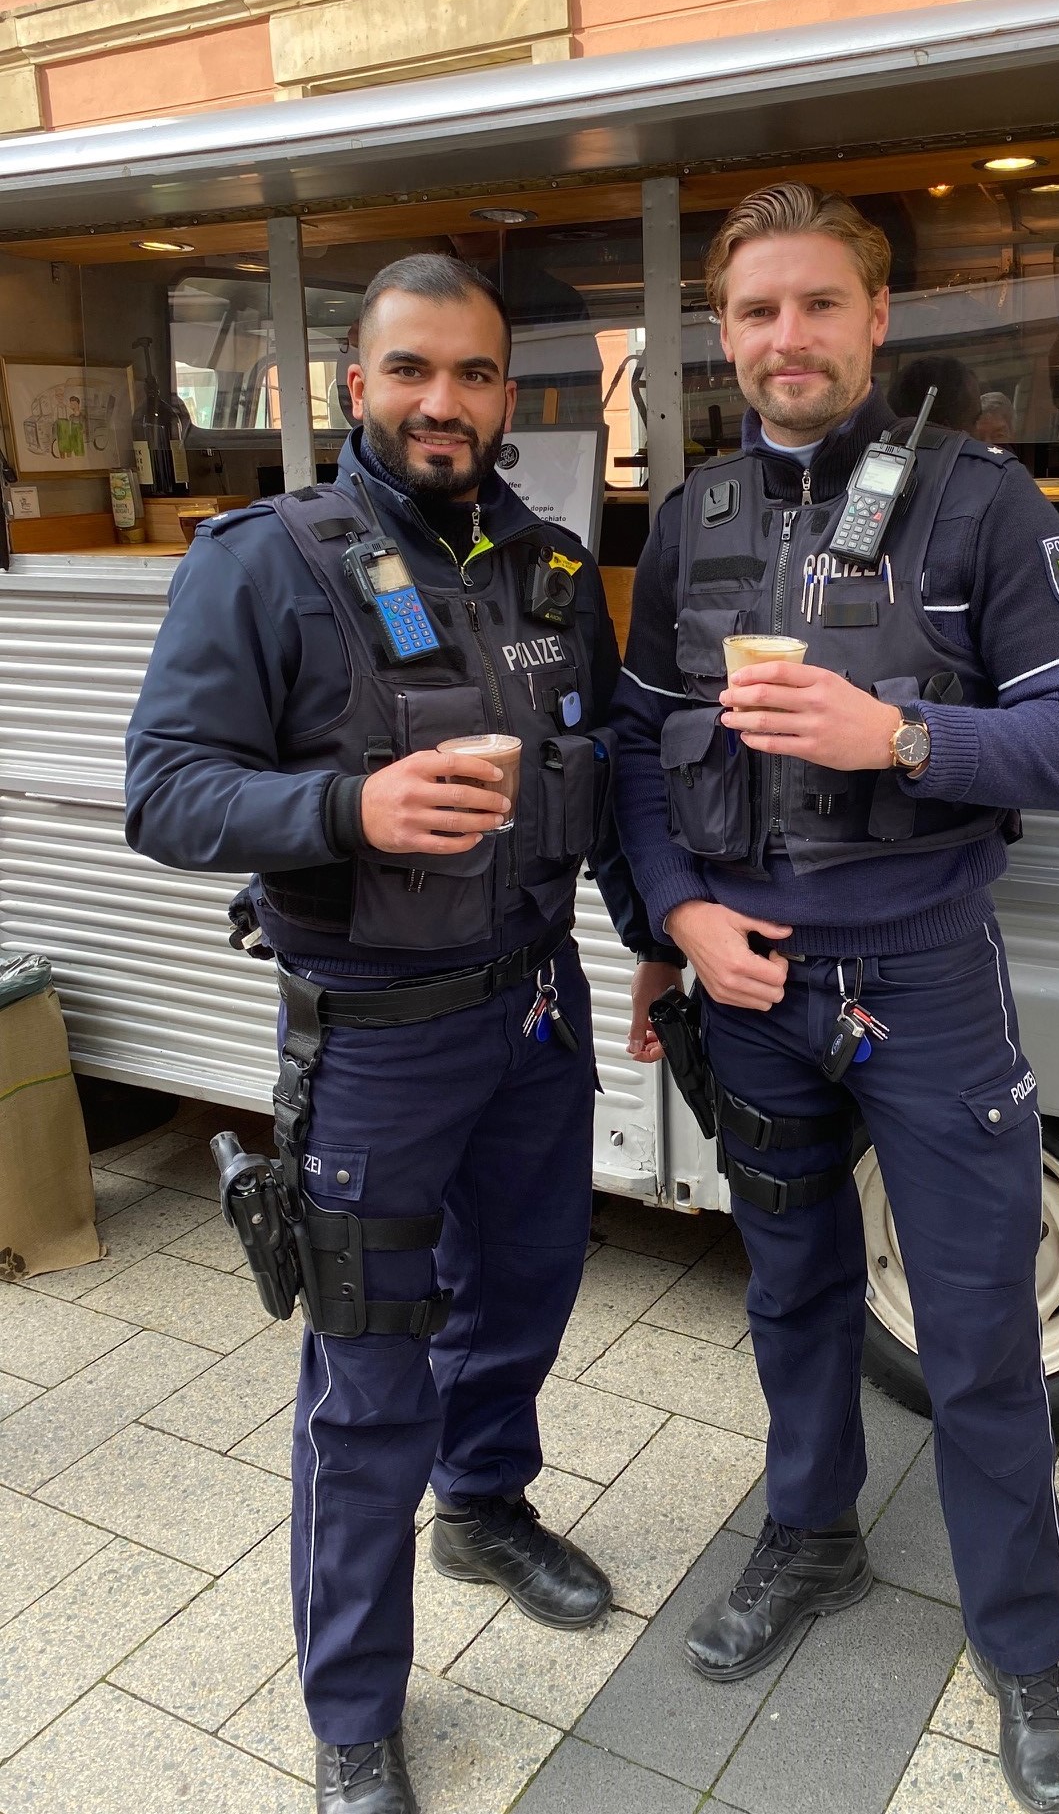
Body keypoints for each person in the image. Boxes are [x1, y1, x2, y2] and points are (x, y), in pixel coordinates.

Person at [125, 253, 680, 1814]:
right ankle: (355, 1708)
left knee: (527, 1285)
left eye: (478, 375)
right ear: (356, 384)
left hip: (534, 1010)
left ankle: (485, 1502)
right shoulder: (265, 561)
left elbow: (612, 777)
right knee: (367, 1377)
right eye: (414, 370)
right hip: (372, 1037)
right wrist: (345, 807)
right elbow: (163, 787)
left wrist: (652, 940)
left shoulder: (555, 571)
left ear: (512, 395)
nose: (447, 401)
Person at [610, 184, 1059, 1814]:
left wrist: (900, 737)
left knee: (975, 1331)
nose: (787, 341)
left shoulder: (982, 505)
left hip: (924, 983)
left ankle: (1025, 1647)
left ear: (877, 317)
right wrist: (678, 914)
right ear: (723, 332)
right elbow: (633, 753)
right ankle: (811, 1536)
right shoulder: (687, 518)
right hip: (749, 989)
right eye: (756, 313)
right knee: (793, 1297)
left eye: (818, 305)